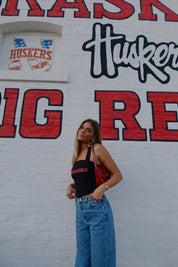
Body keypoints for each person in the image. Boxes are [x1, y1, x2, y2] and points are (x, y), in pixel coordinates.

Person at [66, 119, 123, 267]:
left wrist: (101, 189)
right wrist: (71, 186)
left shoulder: (97, 149)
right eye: (82, 128)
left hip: (97, 208)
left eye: (88, 130)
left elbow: (117, 175)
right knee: (83, 259)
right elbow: (85, 179)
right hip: (80, 210)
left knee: (101, 259)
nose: (83, 131)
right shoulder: (77, 155)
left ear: (94, 137)